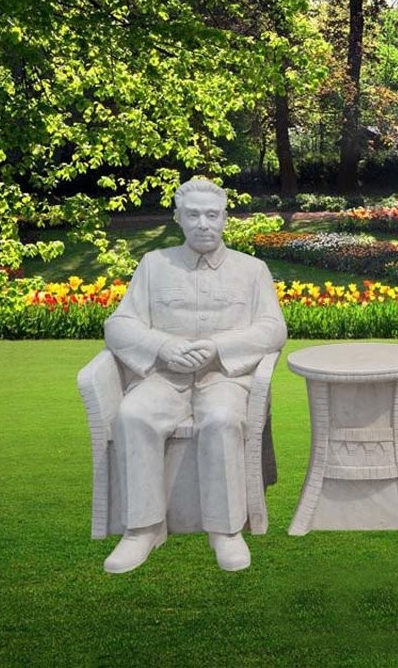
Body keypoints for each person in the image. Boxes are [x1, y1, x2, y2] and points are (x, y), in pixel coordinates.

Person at [102, 178, 287, 573]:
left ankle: (225, 531)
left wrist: (220, 347)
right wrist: (162, 346)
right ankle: (141, 530)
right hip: (163, 377)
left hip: (223, 377)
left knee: (221, 419)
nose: (203, 223)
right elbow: (118, 325)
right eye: (193, 215)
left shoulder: (252, 270)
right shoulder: (154, 265)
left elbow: (273, 329)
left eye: (212, 215)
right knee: (132, 415)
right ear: (178, 219)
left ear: (224, 218)